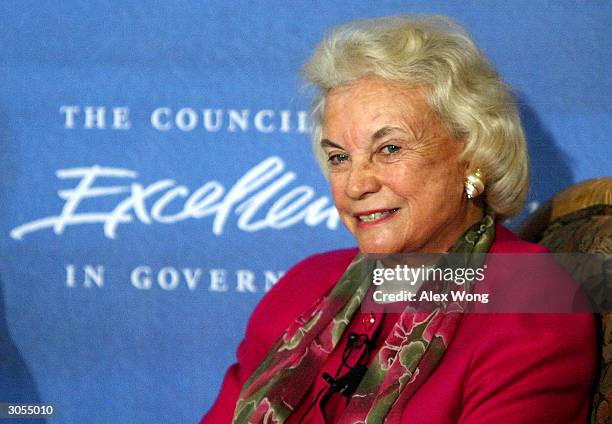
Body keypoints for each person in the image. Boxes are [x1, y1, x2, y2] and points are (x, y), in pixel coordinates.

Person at [201, 16, 595, 423]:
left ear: (473, 156)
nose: (356, 184)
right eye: (339, 158)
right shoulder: (303, 288)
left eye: (389, 149)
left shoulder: (535, 305)